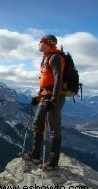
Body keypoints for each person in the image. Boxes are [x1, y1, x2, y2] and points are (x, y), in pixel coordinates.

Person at [24, 34, 65, 171]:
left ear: (48, 43)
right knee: (37, 123)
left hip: (55, 97)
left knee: (53, 127)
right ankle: (35, 155)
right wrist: (37, 97)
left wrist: (53, 100)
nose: (39, 44)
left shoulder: (55, 58)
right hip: (45, 96)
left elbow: (58, 80)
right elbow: (45, 81)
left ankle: (53, 162)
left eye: (40, 42)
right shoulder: (45, 58)